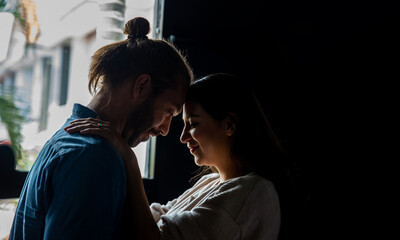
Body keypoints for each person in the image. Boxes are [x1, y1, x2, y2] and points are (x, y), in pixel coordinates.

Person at [9, 17, 193, 240]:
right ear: (142, 86)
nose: (165, 129)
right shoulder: (94, 157)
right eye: (168, 112)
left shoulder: (70, 137)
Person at [66, 73, 291, 239]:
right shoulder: (210, 183)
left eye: (193, 124)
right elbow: (155, 216)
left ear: (229, 125)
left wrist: (129, 160)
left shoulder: (253, 191)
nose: (183, 137)